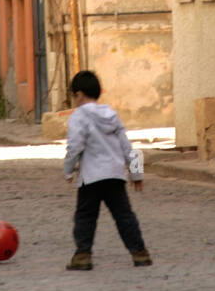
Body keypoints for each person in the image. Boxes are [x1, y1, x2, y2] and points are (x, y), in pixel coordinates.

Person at [62, 70, 151, 270]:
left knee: (85, 216)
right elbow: (127, 147)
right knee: (124, 215)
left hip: (91, 177)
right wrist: (136, 174)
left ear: (79, 94)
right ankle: (140, 253)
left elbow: (74, 146)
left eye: (74, 96)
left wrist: (68, 170)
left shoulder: (78, 117)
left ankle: (83, 255)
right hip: (114, 175)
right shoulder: (112, 115)